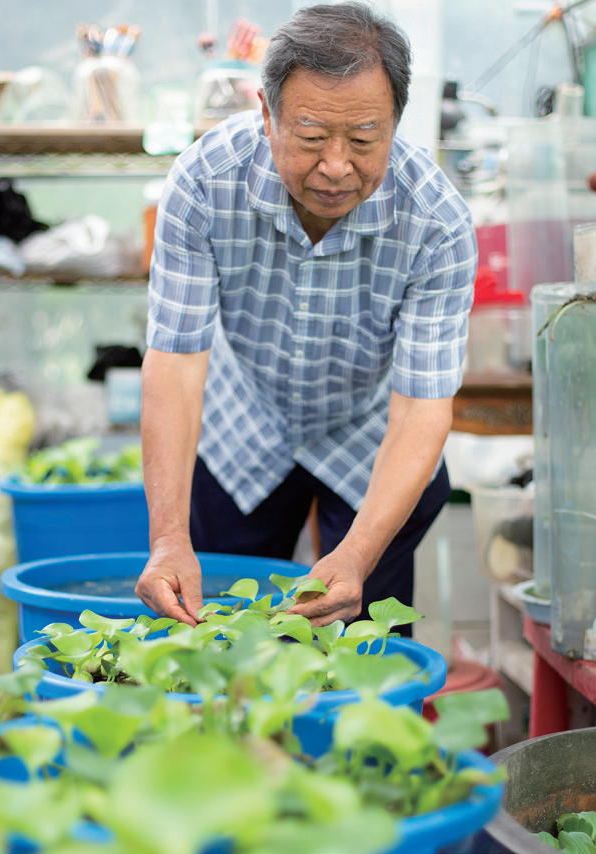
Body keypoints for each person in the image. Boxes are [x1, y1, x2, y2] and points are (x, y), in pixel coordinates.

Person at [135, 1, 477, 631]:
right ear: (266, 115)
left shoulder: (437, 221)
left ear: (396, 123)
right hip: (245, 425)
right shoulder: (206, 182)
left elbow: (422, 405)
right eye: (313, 138)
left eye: (365, 139)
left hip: (372, 439)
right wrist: (166, 538)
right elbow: (177, 361)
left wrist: (357, 556)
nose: (337, 166)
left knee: (364, 639)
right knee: (218, 634)